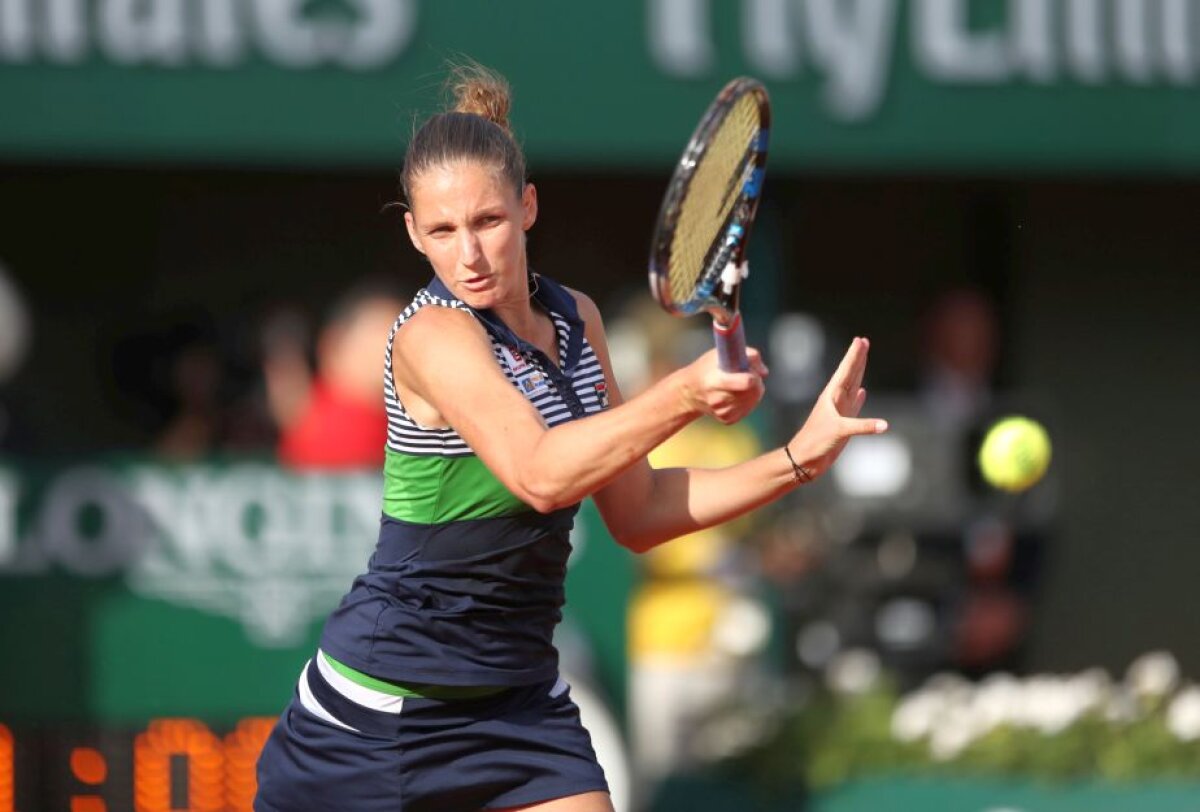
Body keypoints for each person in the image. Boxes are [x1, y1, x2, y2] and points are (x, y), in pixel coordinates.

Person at [254, 62, 887, 812]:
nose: (469, 255)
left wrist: (796, 459)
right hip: (379, 717)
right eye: (443, 231)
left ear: (527, 206)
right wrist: (685, 394)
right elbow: (541, 475)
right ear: (414, 233)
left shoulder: (576, 320)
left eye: (488, 221)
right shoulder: (432, 336)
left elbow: (639, 512)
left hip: (520, 704)